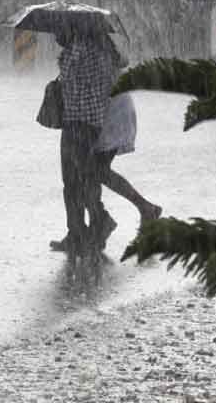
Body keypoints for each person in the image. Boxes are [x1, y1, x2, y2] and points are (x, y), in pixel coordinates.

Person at [49, 26, 161, 255]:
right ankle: (89, 230)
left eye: (58, 30)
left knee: (89, 174)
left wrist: (78, 128)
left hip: (100, 118)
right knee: (87, 175)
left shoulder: (84, 49)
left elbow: (85, 91)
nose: (55, 36)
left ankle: (98, 225)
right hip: (98, 116)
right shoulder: (87, 47)